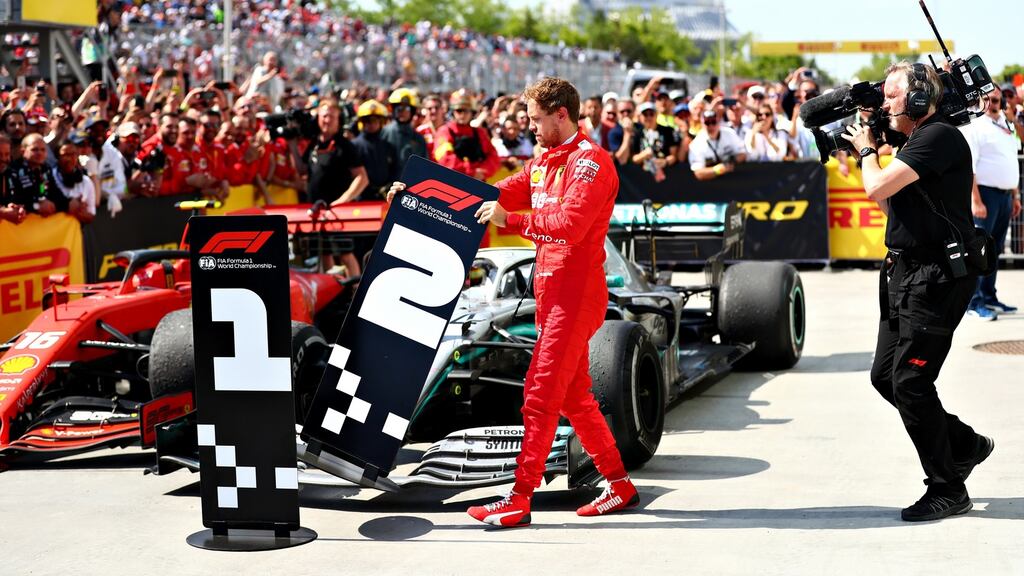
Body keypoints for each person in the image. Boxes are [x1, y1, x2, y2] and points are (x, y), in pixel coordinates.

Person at [391, 77, 639, 528]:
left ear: (561, 114)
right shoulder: (544, 160)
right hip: (551, 292)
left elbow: (572, 224)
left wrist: (512, 220)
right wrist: (415, 195)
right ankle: (619, 485)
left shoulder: (592, 162)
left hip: (576, 296)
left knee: (539, 394)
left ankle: (519, 497)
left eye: (535, 119)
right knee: (575, 398)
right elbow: (492, 193)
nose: (529, 128)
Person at [842, 62, 994, 522]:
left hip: (937, 277)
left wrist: (868, 150)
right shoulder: (914, 143)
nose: (884, 104)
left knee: (911, 381)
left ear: (918, 100)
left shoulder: (939, 136)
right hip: (905, 273)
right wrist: (873, 150)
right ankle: (964, 445)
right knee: (886, 377)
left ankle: (948, 487)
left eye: (892, 96)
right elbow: (891, 201)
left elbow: (876, 187)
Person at [960, 91, 1021, 319]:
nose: (996, 103)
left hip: (1005, 195)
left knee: (993, 251)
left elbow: (1010, 160)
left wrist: (1015, 196)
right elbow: (971, 167)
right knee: (979, 251)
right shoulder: (975, 126)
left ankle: (989, 296)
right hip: (985, 194)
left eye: (998, 100)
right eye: (991, 99)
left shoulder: (1005, 124)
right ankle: (974, 302)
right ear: (981, 100)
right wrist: (976, 199)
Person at [298, 97, 368, 276]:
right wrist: (291, 142)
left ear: (339, 120)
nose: (327, 120)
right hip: (315, 210)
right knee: (324, 253)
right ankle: (331, 294)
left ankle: (354, 293)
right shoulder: (314, 144)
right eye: (323, 116)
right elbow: (301, 168)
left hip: (337, 212)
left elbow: (362, 178)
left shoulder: (345, 146)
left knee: (345, 253)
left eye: (331, 117)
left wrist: (342, 202)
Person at [432, 89, 500, 180]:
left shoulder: (479, 133)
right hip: (451, 181)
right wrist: (471, 172)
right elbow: (445, 159)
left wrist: (483, 171)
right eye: (459, 111)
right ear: (453, 112)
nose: (463, 114)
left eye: (466, 111)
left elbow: (493, 156)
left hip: (478, 182)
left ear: (472, 112)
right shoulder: (444, 131)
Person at [9, 133, 69, 217]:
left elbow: (56, 194)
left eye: (43, 150)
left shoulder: (46, 169)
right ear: (23, 151)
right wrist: (36, 206)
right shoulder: (13, 170)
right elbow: (12, 199)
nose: (39, 153)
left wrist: (70, 203)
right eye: (35, 149)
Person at [352, 99, 398, 199]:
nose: (371, 124)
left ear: (381, 121)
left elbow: (394, 170)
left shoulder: (388, 145)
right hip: (361, 198)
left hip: (384, 196)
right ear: (362, 122)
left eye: (375, 120)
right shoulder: (354, 146)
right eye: (367, 120)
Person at [689, 109, 746, 180]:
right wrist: (719, 169)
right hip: (712, 185)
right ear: (702, 124)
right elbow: (698, 173)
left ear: (719, 122)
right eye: (707, 122)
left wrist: (731, 161)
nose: (711, 126)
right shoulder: (696, 144)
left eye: (713, 122)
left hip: (735, 178)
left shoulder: (730, 133)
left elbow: (743, 154)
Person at [631, 101, 679, 182]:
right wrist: (643, 155)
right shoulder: (638, 134)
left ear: (656, 115)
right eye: (645, 114)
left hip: (667, 174)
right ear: (640, 117)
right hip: (644, 177)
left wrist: (665, 161)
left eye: (651, 114)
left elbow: (674, 156)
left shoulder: (668, 131)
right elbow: (634, 158)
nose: (648, 117)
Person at [381, 88, 427, 172]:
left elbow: (424, 167)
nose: (402, 112)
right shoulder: (383, 133)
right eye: (398, 108)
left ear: (412, 111)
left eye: (407, 108)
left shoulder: (418, 138)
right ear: (393, 110)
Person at [52, 139, 96, 224]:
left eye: (73, 154)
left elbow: (91, 216)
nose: (69, 159)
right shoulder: (49, 178)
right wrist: (68, 207)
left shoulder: (86, 182)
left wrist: (79, 211)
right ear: (57, 157)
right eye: (65, 155)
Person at [0, 133, 26, 224]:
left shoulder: (10, 173)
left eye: (6, 154)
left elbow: (20, 199)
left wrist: (17, 208)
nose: (3, 158)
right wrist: (3, 212)